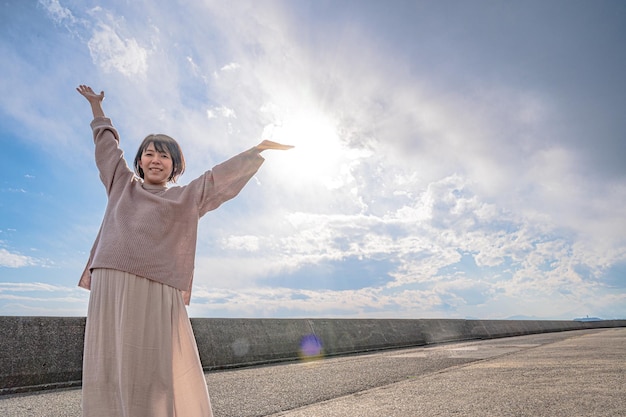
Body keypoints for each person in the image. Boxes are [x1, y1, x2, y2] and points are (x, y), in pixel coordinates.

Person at [76, 84, 292, 417]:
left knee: (153, 367)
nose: (156, 159)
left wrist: (256, 151)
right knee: (108, 362)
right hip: (110, 281)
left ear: (175, 165)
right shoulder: (122, 183)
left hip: (156, 287)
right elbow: (107, 146)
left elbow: (217, 180)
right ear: (140, 161)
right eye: (149, 153)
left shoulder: (185, 197)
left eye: (164, 155)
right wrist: (96, 108)